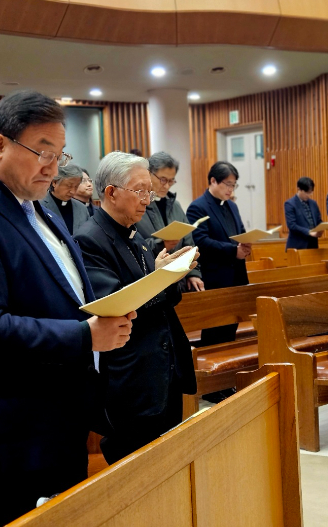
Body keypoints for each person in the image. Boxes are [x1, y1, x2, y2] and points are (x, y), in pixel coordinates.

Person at [0, 90, 134, 527]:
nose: (53, 166)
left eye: (59, 154)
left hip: (64, 406)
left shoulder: (40, 207)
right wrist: (86, 336)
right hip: (16, 419)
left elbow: (64, 290)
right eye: (42, 152)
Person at [75, 151, 198, 465]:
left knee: (168, 463)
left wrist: (169, 278)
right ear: (111, 193)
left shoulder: (140, 235)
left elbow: (163, 300)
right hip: (130, 378)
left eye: (150, 191)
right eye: (141, 190)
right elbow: (117, 305)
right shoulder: (90, 240)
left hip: (161, 369)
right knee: (137, 469)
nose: (149, 199)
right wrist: (161, 278)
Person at [186, 161, 249, 346]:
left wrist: (245, 245)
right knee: (214, 333)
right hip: (215, 278)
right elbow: (201, 242)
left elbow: (241, 231)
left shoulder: (232, 206)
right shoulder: (198, 207)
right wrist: (233, 251)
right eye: (228, 184)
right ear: (213, 181)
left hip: (236, 276)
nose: (231, 189)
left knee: (231, 329)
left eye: (234, 185)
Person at [136, 151, 204, 292]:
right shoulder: (137, 206)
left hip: (180, 281)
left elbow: (189, 243)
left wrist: (193, 273)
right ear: (149, 174)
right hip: (152, 281)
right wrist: (160, 244)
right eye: (163, 179)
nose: (167, 186)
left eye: (171, 181)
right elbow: (134, 245)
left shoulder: (175, 205)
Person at [40, 163, 90, 235]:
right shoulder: (40, 205)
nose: (73, 191)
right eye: (69, 186)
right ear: (54, 182)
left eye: (76, 186)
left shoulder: (82, 208)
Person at [284, 176, 323, 250]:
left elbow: (318, 220)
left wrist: (322, 228)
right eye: (306, 192)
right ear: (299, 189)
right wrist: (309, 232)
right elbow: (292, 225)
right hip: (298, 245)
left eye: (310, 192)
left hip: (313, 245)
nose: (308, 195)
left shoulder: (313, 203)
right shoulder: (290, 204)